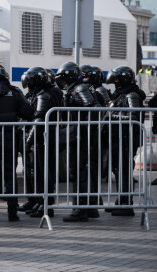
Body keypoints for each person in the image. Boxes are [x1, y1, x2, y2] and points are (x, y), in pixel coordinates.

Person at [0, 63, 34, 222]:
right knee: (10, 174)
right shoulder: (15, 92)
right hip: (10, 139)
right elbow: (29, 112)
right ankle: (12, 212)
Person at [55, 62, 101, 222]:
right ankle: (89, 208)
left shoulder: (80, 88)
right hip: (78, 135)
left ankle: (81, 209)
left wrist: (83, 128)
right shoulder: (75, 88)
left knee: (79, 171)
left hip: (82, 137)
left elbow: (94, 109)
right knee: (80, 171)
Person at [21, 66, 62, 218]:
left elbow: (39, 119)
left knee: (43, 172)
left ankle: (46, 204)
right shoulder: (39, 93)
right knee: (37, 172)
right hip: (41, 138)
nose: (29, 85)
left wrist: (28, 140)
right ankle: (39, 201)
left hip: (43, 138)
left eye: (31, 82)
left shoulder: (44, 95)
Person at [107, 66, 146, 216]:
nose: (115, 83)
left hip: (127, 138)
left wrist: (113, 116)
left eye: (117, 80)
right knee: (118, 170)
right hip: (119, 136)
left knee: (124, 170)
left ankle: (126, 204)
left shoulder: (131, 95)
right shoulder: (121, 95)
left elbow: (134, 116)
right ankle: (121, 200)